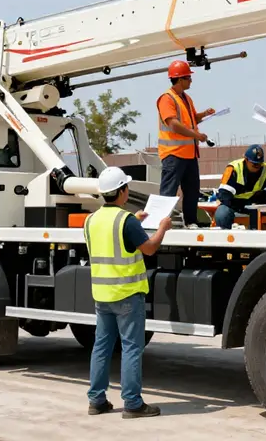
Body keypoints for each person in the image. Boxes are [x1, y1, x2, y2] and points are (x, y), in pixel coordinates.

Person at [85, 166, 172, 419]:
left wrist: (136, 221)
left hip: (102, 295)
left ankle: (97, 401)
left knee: (101, 347)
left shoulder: (92, 220)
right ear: (122, 191)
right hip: (127, 294)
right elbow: (149, 248)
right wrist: (163, 227)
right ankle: (132, 404)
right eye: (127, 187)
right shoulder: (126, 221)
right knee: (131, 348)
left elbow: (112, 238)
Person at [156, 60, 214, 228]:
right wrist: (196, 134)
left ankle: (190, 222)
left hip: (189, 153)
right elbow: (173, 124)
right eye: (188, 77)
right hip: (173, 153)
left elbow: (190, 120)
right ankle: (160, 222)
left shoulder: (186, 98)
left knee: (192, 191)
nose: (191, 80)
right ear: (179, 79)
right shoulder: (167, 99)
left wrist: (204, 114)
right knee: (168, 192)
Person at [215, 144, 266, 229]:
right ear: (246, 160)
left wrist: (260, 202)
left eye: (259, 164)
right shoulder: (234, 168)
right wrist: (241, 204)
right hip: (234, 204)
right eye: (254, 164)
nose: (257, 167)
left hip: (254, 205)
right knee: (222, 213)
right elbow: (224, 195)